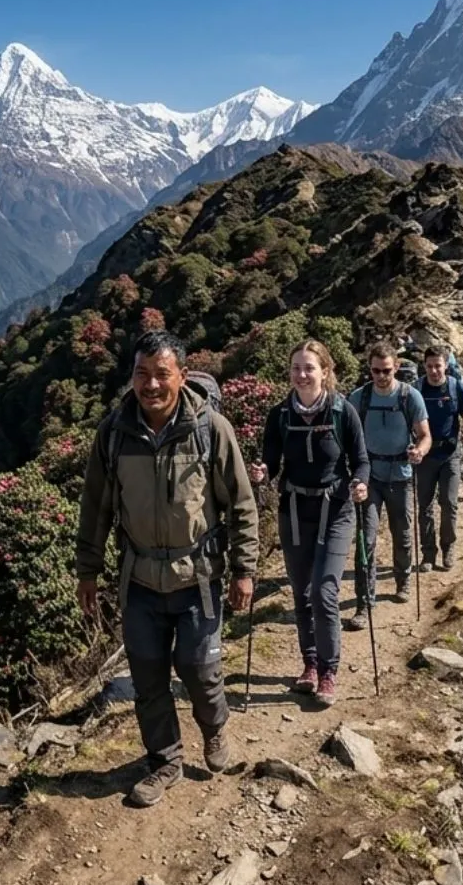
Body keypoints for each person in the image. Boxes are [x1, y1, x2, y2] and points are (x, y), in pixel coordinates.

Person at [74, 330, 259, 809]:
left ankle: (214, 728)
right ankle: (165, 761)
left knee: (199, 668)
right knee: (149, 676)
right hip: (138, 579)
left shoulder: (210, 429)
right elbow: (95, 507)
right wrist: (87, 571)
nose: (150, 385)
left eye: (161, 374)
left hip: (196, 577)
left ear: (181, 374)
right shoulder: (115, 433)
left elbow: (241, 503)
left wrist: (244, 570)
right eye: (141, 374)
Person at [249, 339, 368, 707]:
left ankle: (329, 671)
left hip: (336, 509)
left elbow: (360, 459)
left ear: (325, 372)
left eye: (309, 368)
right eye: (296, 368)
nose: (302, 375)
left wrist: (360, 483)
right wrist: (261, 472)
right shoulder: (280, 415)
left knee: (324, 591)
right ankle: (310, 664)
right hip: (294, 509)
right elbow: (270, 460)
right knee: (301, 591)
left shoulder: (341, 411)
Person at [346, 342, 430, 619]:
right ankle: (364, 602)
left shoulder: (410, 397)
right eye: (375, 370)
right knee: (365, 540)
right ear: (369, 369)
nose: (381, 376)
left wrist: (419, 450)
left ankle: (403, 578)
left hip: (401, 476)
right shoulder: (359, 398)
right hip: (368, 477)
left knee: (403, 536)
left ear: (396, 368)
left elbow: (425, 435)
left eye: (386, 371)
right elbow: (345, 434)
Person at [416, 344, 463, 571]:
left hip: (450, 453)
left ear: (446, 365)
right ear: (424, 366)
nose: (434, 371)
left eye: (438, 366)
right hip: (424, 455)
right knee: (424, 506)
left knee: (449, 503)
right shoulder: (417, 389)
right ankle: (428, 554)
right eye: (430, 366)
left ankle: (448, 547)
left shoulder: (457, 387)